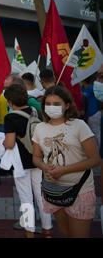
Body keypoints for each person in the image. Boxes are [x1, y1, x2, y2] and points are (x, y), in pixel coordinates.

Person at [32, 86, 101, 238]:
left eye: (57, 104)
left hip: (80, 190)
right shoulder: (39, 128)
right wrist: (45, 167)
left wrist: (64, 170)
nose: (51, 107)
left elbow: (95, 159)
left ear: (67, 105)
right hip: (54, 191)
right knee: (65, 233)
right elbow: (36, 157)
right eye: (48, 103)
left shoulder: (79, 125)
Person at [3, 84, 53, 238]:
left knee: (26, 199)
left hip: (21, 163)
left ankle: (29, 232)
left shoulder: (10, 117)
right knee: (41, 195)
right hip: (38, 159)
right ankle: (47, 231)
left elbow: (10, 143)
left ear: (10, 101)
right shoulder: (34, 111)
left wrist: (3, 143)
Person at [82, 75, 101, 148]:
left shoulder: (93, 88)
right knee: (89, 134)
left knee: (96, 133)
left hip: (94, 113)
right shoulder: (82, 89)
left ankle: (98, 152)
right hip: (86, 115)